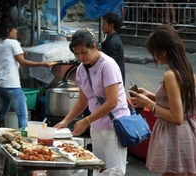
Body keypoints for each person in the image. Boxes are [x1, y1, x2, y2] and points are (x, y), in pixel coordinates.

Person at [54, 30, 130, 175]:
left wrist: (86, 120)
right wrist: (66, 121)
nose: (81, 57)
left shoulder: (107, 65)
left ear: (94, 47)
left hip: (114, 125)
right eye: (77, 54)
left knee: (115, 171)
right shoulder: (81, 70)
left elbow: (112, 102)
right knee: (98, 167)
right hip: (97, 126)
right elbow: (83, 99)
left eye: (84, 52)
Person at [129, 24, 196, 176]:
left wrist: (149, 104)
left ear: (163, 52)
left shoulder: (170, 75)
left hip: (174, 134)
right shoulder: (186, 71)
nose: (154, 57)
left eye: (154, 52)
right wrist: (152, 96)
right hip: (187, 132)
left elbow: (176, 117)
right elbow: (178, 101)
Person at [0, 17, 56, 128]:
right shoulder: (13, 43)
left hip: (0, 85)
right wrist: (43, 64)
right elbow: (23, 63)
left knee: (2, 111)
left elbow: (6, 59)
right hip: (12, 85)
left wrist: (21, 54)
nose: (16, 31)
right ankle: (24, 141)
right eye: (15, 29)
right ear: (8, 30)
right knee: (22, 115)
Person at [102, 12, 125, 85]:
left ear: (111, 25)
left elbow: (110, 66)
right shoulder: (113, 38)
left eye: (104, 24)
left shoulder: (112, 43)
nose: (103, 26)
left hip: (113, 82)